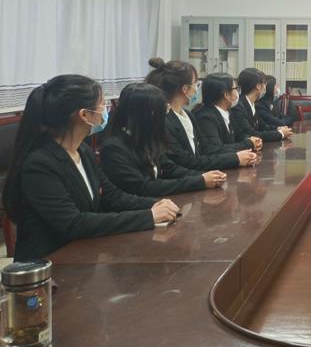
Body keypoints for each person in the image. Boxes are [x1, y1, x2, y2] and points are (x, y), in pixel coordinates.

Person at [1, 75, 179, 261]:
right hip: (50, 263)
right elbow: (74, 223)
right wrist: (148, 216)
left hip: (82, 253)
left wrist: (155, 204)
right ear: (84, 115)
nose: (106, 110)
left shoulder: (83, 151)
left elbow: (112, 196)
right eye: (102, 105)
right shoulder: (39, 164)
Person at [100, 83, 227, 197]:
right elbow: (144, 187)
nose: (165, 117)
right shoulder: (114, 149)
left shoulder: (146, 137)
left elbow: (169, 168)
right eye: (163, 111)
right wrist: (199, 181)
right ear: (148, 115)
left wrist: (204, 176)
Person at [145, 57, 253, 170]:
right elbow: (186, 161)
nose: (197, 90)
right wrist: (234, 158)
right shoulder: (164, 119)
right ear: (185, 89)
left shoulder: (188, 115)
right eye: (196, 84)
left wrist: (236, 156)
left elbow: (205, 149)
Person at [193, 73, 260, 158]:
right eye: (235, 89)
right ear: (226, 95)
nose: (238, 92)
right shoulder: (205, 118)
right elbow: (216, 149)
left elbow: (239, 134)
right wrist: (248, 144)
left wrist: (250, 139)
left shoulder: (228, 112)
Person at [230, 68, 292, 143]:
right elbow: (250, 134)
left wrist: (278, 129)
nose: (266, 87)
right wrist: (280, 134)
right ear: (258, 86)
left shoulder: (251, 103)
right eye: (265, 83)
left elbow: (262, 126)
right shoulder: (238, 107)